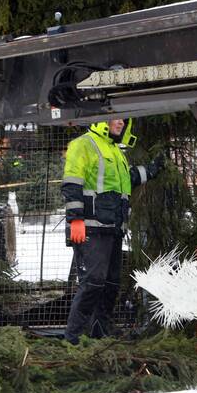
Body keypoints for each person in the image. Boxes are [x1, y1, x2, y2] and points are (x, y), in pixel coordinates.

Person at [61, 118, 163, 343]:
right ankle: (73, 338)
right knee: (93, 281)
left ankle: (100, 330)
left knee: (111, 283)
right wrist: (76, 220)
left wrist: (152, 170)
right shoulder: (83, 144)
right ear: (101, 120)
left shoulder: (116, 151)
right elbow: (72, 182)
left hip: (113, 228)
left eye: (124, 120)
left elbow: (126, 179)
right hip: (90, 228)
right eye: (116, 118)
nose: (121, 123)